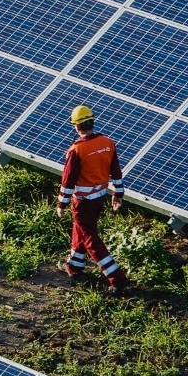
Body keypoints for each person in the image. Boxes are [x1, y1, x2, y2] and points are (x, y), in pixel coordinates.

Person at [56, 105, 128, 292]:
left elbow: (68, 180)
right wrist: (118, 194)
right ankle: (75, 266)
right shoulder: (107, 143)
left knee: (90, 239)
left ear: (77, 127)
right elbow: (116, 172)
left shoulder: (76, 150)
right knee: (80, 230)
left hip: (82, 201)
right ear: (92, 122)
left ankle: (116, 277)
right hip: (100, 198)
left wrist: (62, 204)